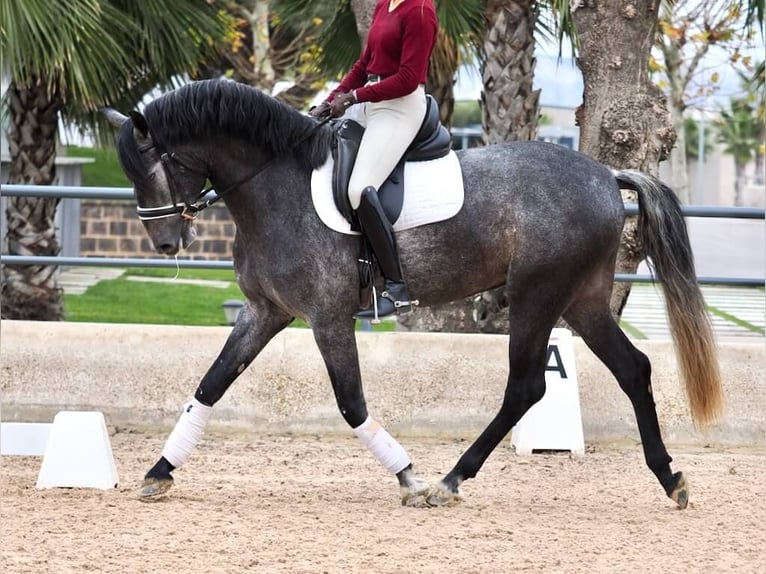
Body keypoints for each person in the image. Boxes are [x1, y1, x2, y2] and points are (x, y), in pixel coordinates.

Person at [310, 0, 438, 319]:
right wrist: (329, 101)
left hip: (399, 108)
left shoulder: (420, 11)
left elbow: (409, 77)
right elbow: (363, 65)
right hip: (369, 104)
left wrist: (354, 97)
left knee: (359, 189)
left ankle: (396, 290)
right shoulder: (385, 4)